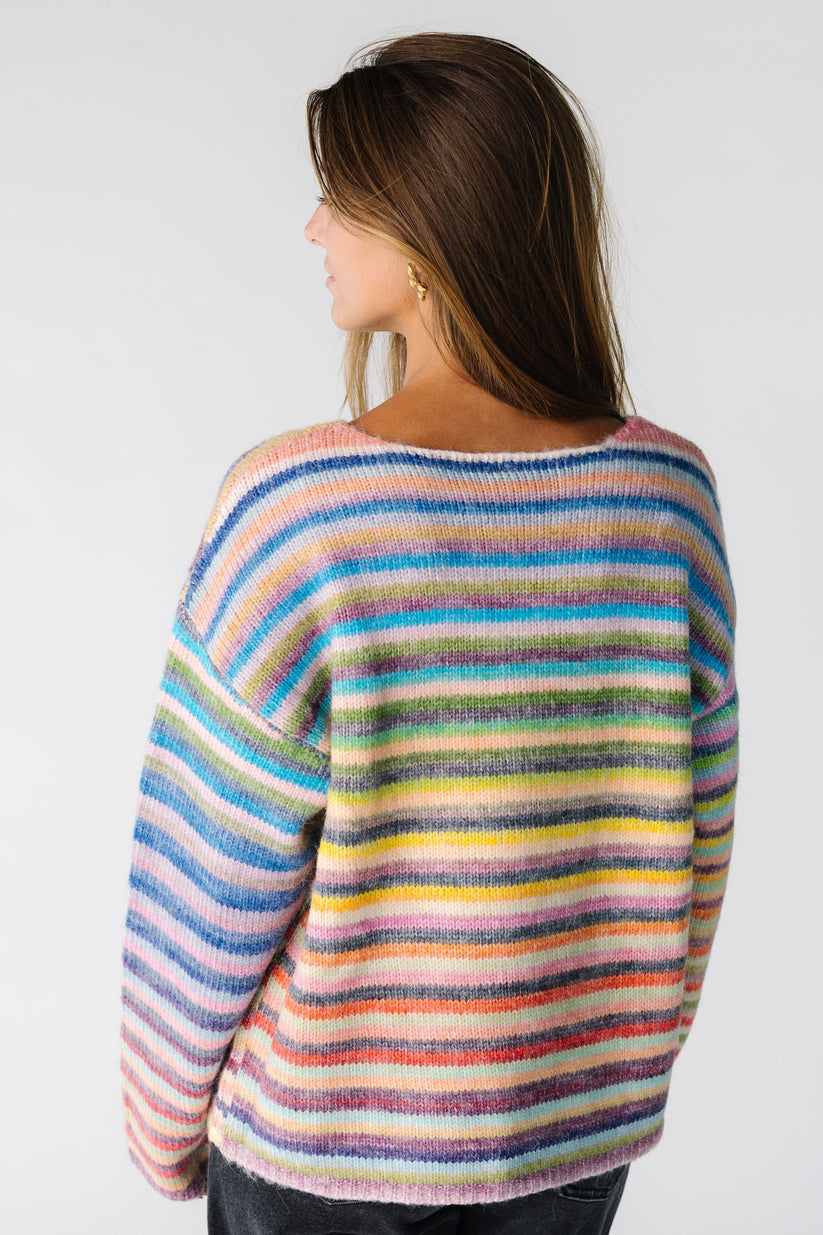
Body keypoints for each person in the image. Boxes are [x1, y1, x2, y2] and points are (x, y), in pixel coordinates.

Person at [120, 31, 739, 1235]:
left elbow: (207, 874)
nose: (314, 229)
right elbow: (694, 846)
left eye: (340, 198)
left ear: (423, 230)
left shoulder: (298, 509)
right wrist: (617, 1065)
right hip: (569, 1135)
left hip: (321, 1156)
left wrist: (161, 1127)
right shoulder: (668, 501)